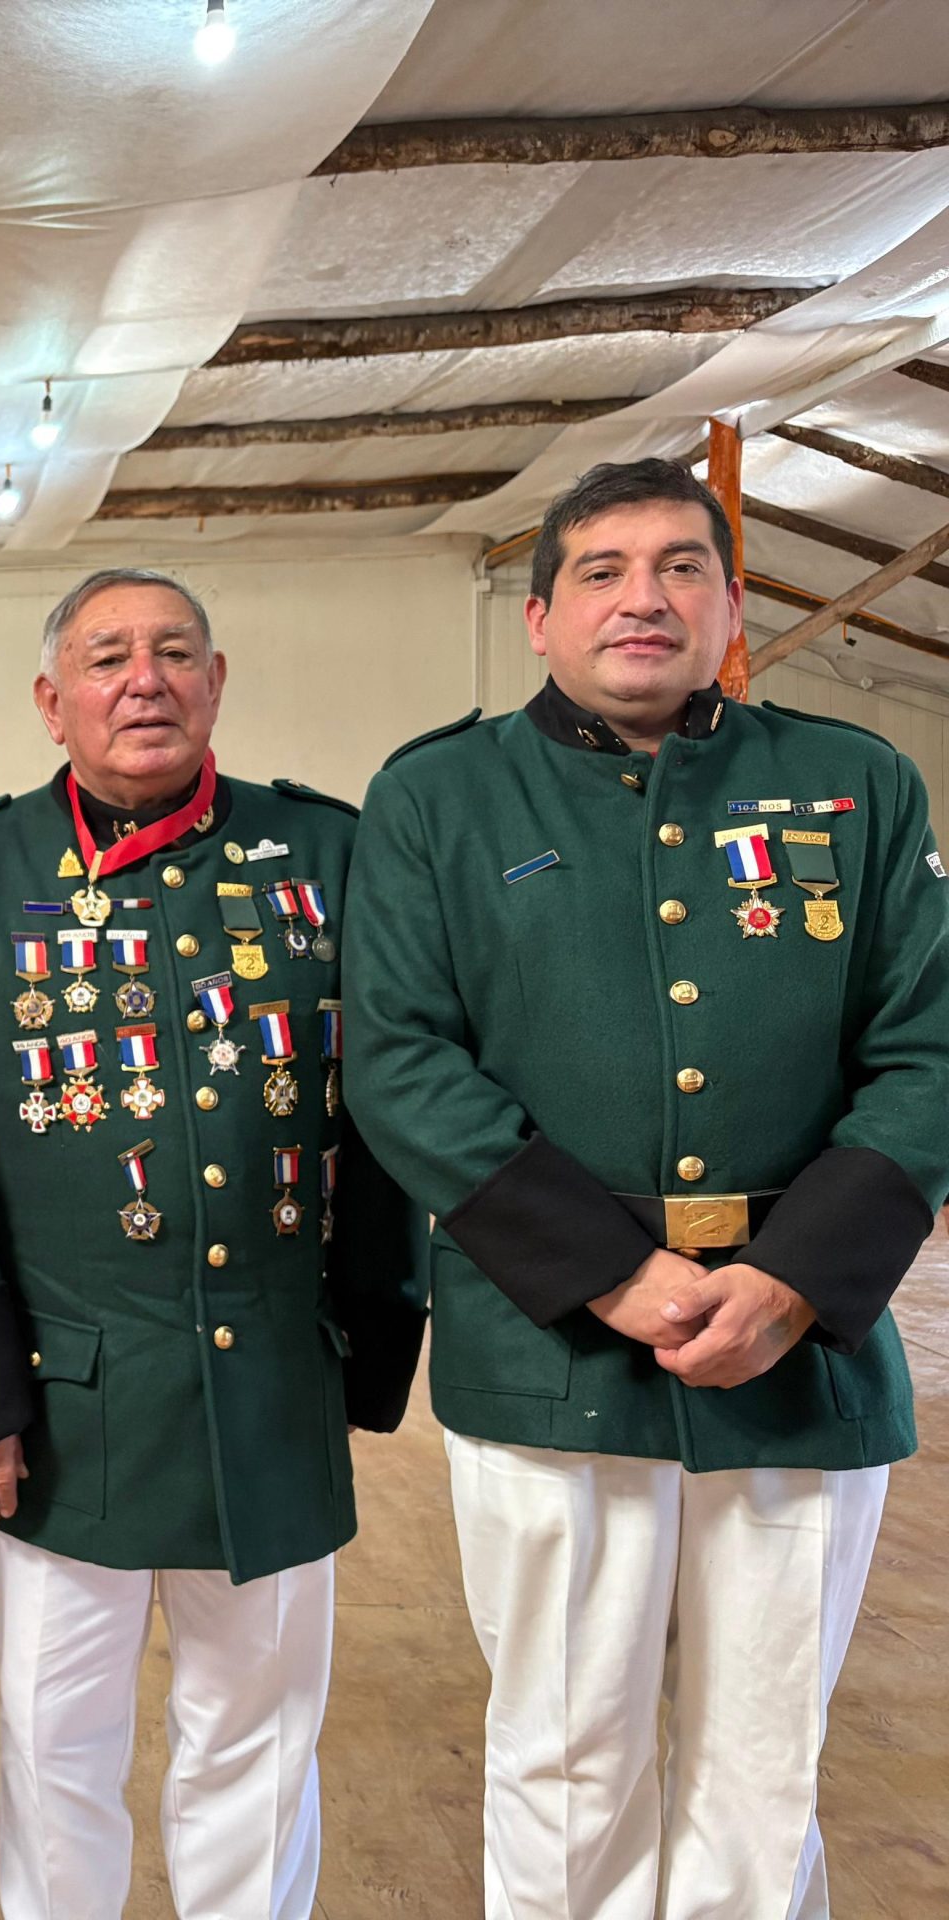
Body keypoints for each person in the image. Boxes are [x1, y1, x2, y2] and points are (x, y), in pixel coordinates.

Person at [348, 457, 949, 1920]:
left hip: (803, 1347)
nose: (644, 598)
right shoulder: (438, 796)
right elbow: (400, 1059)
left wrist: (794, 1282)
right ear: (540, 615)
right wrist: (610, 1272)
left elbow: (929, 1048)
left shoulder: (858, 784)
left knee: (764, 1757)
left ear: (732, 605)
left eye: (682, 566)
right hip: (550, 1343)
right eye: (603, 571)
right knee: (565, 1758)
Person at [0, 568, 426, 1918]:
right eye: (107, 657)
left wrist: (369, 1348)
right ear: (50, 700)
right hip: (70, 1398)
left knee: (260, 1743)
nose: (145, 681)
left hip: (272, 1385)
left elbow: (385, 1116)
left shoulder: (328, 852)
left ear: (216, 682)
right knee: (56, 1744)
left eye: (175, 653)